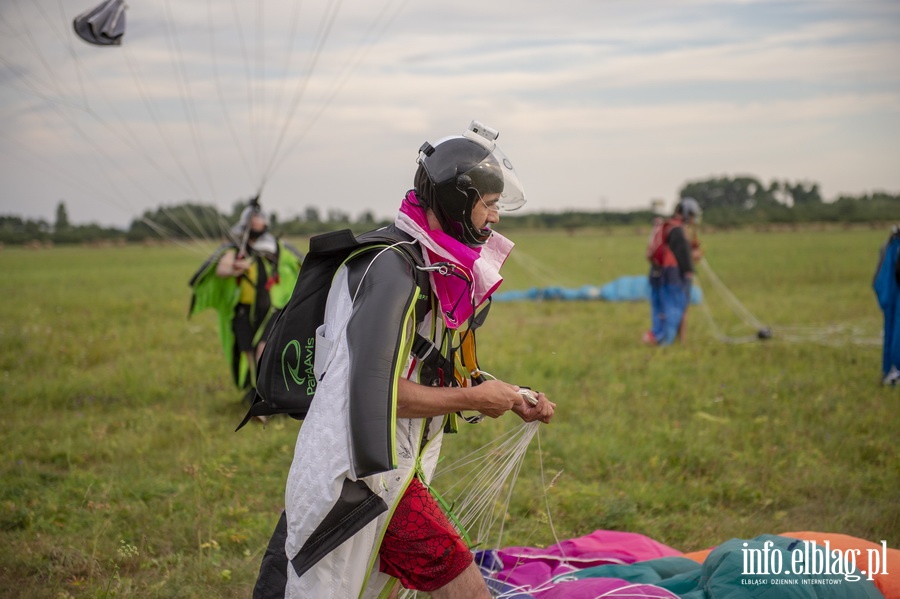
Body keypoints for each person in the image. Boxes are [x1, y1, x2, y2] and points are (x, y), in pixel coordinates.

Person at [252, 121, 556, 599]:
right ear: (459, 201)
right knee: (467, 590)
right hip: (360, 479)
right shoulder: (392, 268)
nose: (495, 219)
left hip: (394, 474)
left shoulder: (428, 263)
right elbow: (373, 392)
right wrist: (472, 398)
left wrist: (511, 396)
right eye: (490, 205)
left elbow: (427, 367)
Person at [188, 199, 303, 400]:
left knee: (263, 350)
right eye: (252, 220)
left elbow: (299, 264)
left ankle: (268, 399)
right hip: (243, 311)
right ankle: (255, 392)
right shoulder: (235, 250)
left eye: (258, 220)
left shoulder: (277, 249)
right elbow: (222, 269)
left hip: (270, 309)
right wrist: (235, 268)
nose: (256, 224)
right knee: (248, 354)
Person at [643, 197, 703, 346]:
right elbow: (685, 258)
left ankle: (658, 337)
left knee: (661, 309)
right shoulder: (678, 230)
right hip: (673, 275)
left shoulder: (666, 226)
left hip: (657, 272)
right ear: (688, 213)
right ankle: (671, 341)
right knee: (677, 307)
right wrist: (693, 260)